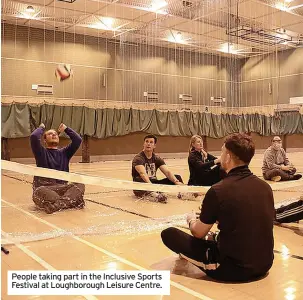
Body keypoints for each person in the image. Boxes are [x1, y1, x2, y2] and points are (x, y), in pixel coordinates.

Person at [161, 133, 275, 282]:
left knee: (169, 234)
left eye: (222, 152)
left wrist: (191, 220)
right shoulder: (265, 187)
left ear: (227, 157)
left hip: (232, 269)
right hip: (265, 264)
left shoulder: (218, 190)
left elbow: (198, 232)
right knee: (215, 235)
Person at [30, 123, 85, 214]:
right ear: (44, 140)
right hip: (46, 189)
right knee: (39, 191)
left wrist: (66, 129)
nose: (54, 135)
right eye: (50, 134)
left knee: (80, 184)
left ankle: (57, 205)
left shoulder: (65, 153)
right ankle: (70, 201)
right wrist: (42, 127)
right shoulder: (41, 153)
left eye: (55, 134)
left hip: (62, 189)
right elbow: (34, 137)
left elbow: (77, 140)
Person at [132, 134, 184, 203]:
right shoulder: (138, 158)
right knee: (140, 180)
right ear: (143, 144)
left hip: (153, 183)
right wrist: (151, 187)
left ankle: (184, 193)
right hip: (142, 185)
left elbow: (167, 172)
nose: (148, 144)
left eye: (151, 142)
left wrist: (176, 182)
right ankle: (155, 195)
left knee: (177, 177)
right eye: (146, 142)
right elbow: (143, 174)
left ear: (154, 145)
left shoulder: (156, 158)